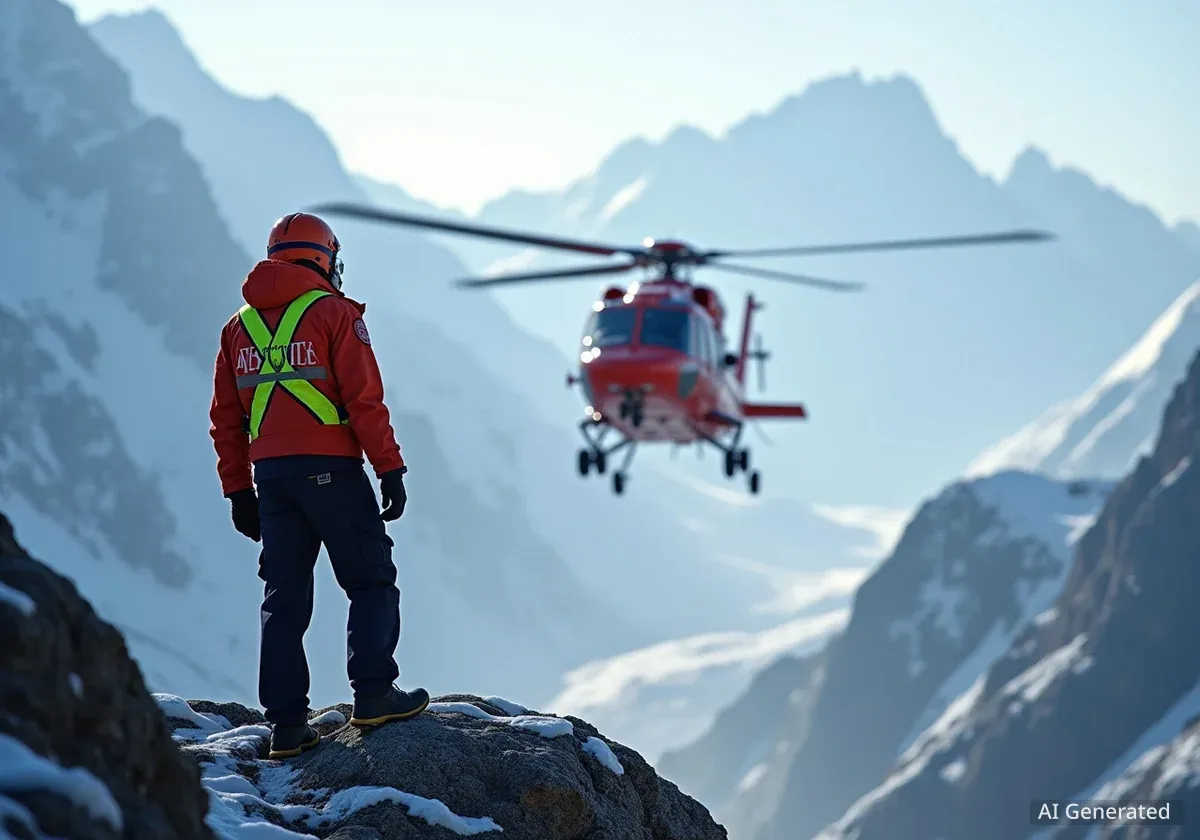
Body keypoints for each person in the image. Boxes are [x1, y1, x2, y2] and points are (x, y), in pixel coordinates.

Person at [209, 212, 429, 760]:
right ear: (324, 259)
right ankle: (375, 693)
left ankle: (286, 727)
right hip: (333, 472)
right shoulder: (334, 313)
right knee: (371, 579)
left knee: (283, 601)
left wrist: (239, 491)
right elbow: (363, 401)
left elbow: (226, 419)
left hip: (273, 482)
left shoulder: (238, 328)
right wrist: (390, 468)